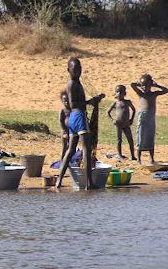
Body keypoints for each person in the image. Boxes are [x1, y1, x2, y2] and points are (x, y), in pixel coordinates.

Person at [56, 58, 105, 189]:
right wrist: (90, 102)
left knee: (71, 150)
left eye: (79, 68)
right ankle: (89, 184)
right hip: (78, 116)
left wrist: (95, 100)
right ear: (68, 70)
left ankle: (58, 182)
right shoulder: (72, 84)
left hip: (75, 117)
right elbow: (73, 105)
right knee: (86, 150)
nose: (78, 71)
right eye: (75, 69)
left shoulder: (78, 83)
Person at [131, 74, 168, 164]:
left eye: (147, 85)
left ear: (151, 85)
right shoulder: (141, 94)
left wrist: (156, 85)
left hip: (151, 118)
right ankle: (139, 160)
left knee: (150, 138)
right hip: (143, 118)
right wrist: (139, 84)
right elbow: (132, 85)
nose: (145, 87)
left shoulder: (154, 94)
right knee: (140, 137)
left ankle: (152, 159)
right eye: (143, 85)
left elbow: (166, 90)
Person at [107, 85, 137, 160]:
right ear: (115, 93)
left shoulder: (128, 102)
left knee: (130, 140)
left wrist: (131, 119)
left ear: (125, 93)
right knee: (119, 140)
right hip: (118, 124)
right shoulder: (115, 103)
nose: (119, 94)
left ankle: (133, 156)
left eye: (121, 92)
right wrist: (112, 120)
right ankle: (120, 155)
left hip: (126, 124)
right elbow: (108, 112)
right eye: (117, 92)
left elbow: (134, 110)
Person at [58, 90, 71, 164]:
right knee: (64, 147)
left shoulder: (72, 110)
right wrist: (64, 131)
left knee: (71, 147)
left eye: (68, 100)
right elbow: (61, 121)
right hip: (65, 131)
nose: (66, 102)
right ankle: (62, 161)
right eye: (64, 101)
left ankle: (69, 161)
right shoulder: (63, 110)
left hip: (72, 131)